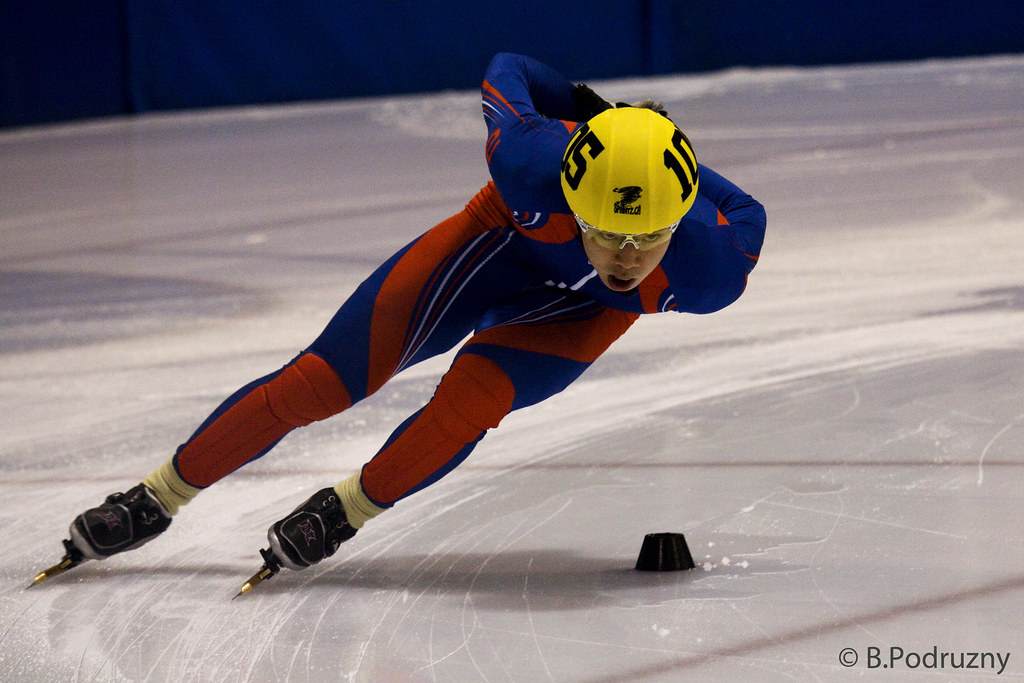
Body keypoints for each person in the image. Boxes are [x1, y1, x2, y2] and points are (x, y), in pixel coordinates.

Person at [52, 53, 766, 584]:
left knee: (471, 401)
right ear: (571, 200)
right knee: (321, 382)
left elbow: (750, 212)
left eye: (649, 237)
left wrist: (683, 169)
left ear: (681, 221)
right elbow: (507, 70)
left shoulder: (709, 268)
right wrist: (584, 104)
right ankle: (157, 496)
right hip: (498, 245)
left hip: (578, 311)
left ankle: (345, 511)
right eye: (606, 231)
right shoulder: (529, 161)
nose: (627, 256)